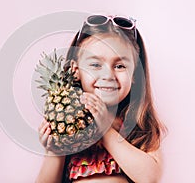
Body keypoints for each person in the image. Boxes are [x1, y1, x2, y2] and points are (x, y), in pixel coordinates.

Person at [36, 14, 167, 183]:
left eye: (120, 66)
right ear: (75, 70)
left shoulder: (139, 125)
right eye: (95, 65)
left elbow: (150, 178)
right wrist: (54, 151)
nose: (107, 75)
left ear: (134, 74)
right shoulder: (67, 125)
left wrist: (105, 128)